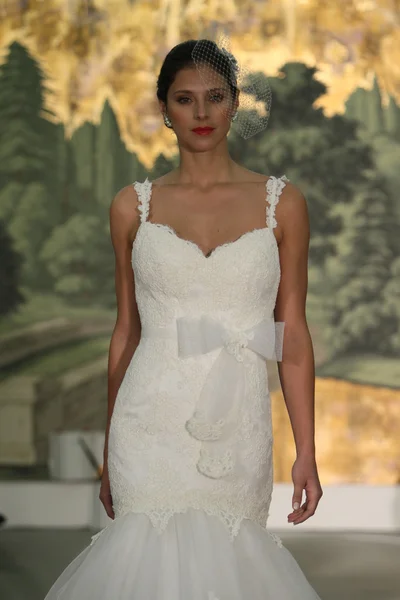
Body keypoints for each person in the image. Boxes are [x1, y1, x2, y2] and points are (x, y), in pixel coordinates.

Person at [44, 38, 323, 599]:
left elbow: (292, 333)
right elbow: (127, 333)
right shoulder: (132, 206)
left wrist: (308, 453)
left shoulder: (282, 203)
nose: (201, 113)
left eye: (215, 97)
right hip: (146, 422)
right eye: (185, 99)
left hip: (236, 425)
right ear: (164, 108)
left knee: (231, 564)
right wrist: (107, 454)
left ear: (235, 103)